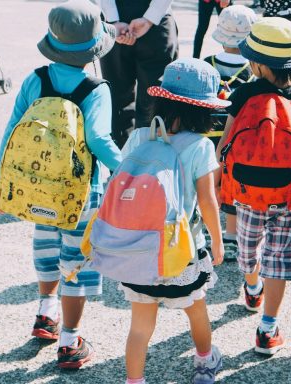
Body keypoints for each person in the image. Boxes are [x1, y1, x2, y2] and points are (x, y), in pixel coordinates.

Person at [0, 0, 122, 368]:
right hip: (79, 194)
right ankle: (70, 341)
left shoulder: (36, 79)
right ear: (93, 48)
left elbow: (12, 130)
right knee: (76, 260)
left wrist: (0, 179)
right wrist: (127, 168)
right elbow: (98, 140)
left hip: (35, 186)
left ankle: (46, 314)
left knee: (46, 249)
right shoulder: (96, 88)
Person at [217, 17, 291, 355]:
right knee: (278, 260)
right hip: (289, 195)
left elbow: (225, 145)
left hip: (248, 195)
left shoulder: (243, 94)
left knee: (249, 249)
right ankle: (268, 329)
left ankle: (252, 287)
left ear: (255, 61)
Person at [119, 58, 226, 384]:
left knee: (140, 327)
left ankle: (134, 381)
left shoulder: (139, 137)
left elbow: (119, 182)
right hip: (181, 251)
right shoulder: (200, 147)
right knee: (196, 310)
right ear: (204, 110)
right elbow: (207, 201)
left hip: (137, 250)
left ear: (161, 100)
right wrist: (218, 242)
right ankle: (205, 365)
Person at [203, 4, 257, 261]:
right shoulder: (253, 71)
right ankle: (231, 235)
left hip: (205, 136)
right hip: (237, 137)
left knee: (208, 184)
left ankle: (205, 230)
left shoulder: (207, 65)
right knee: (233, 186)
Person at [99, 0, 179, 148]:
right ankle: (147, 162)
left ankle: (121, 164)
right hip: (156, 21)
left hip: (121, 19)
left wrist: (113, 19)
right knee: (154, 101)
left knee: (121, 101)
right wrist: (150, 18)